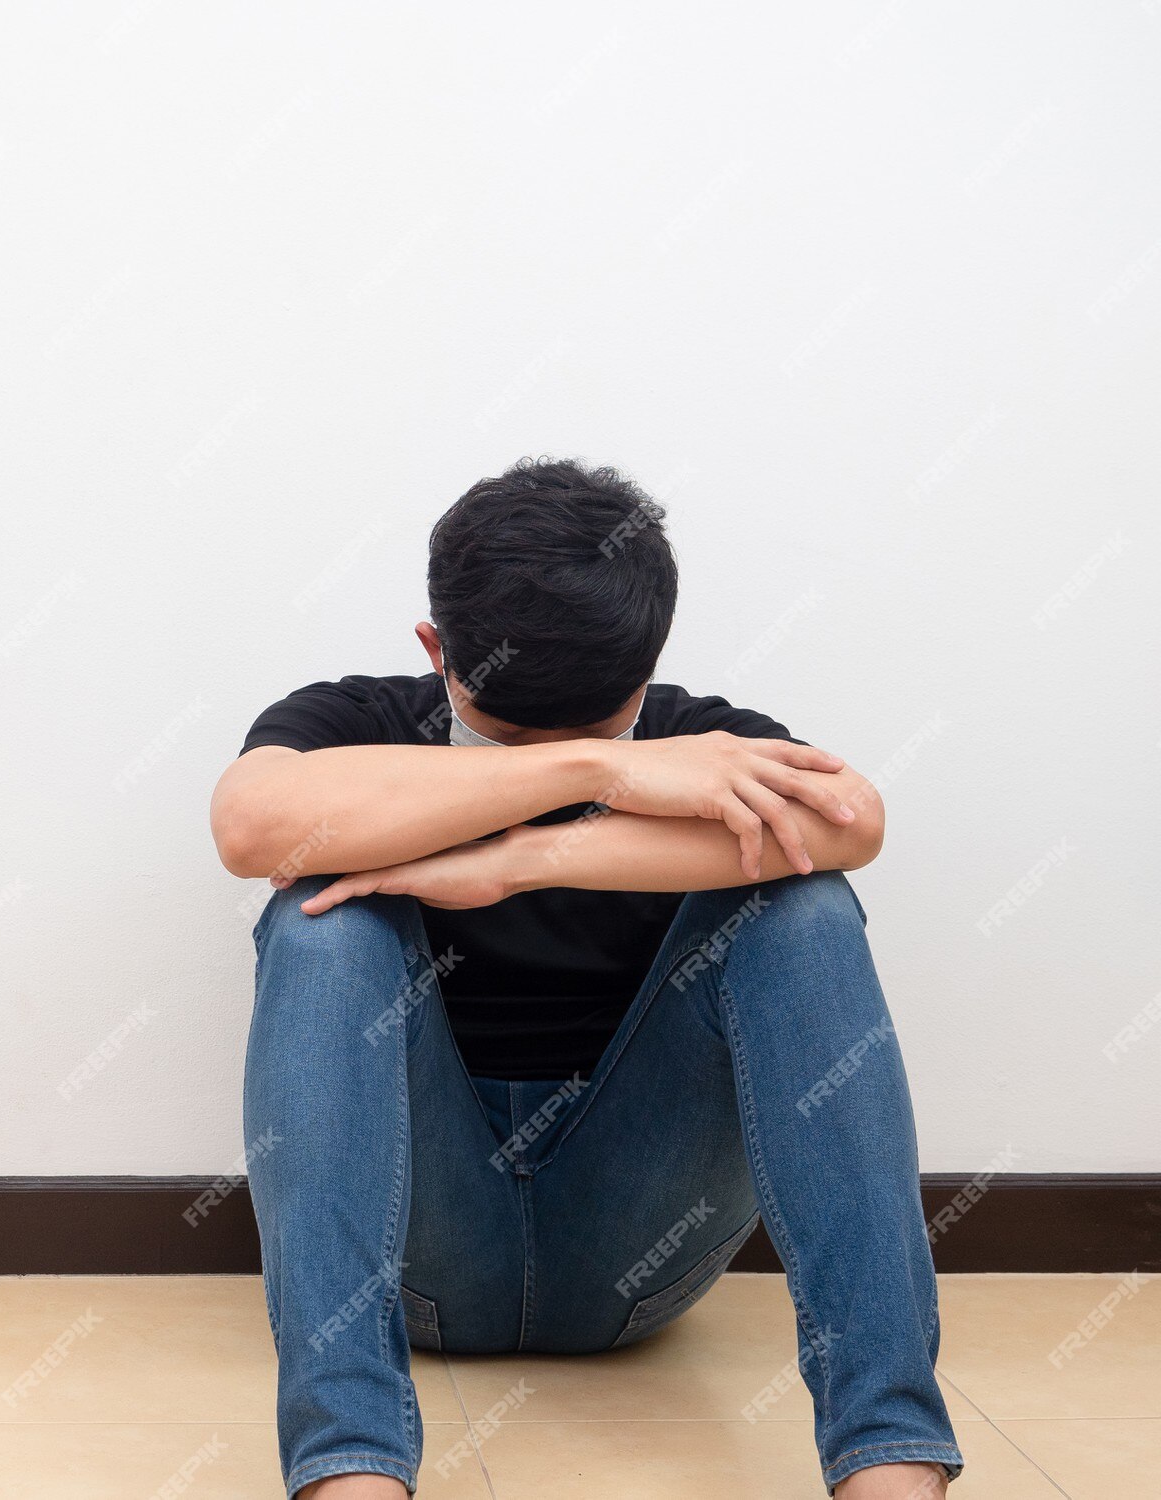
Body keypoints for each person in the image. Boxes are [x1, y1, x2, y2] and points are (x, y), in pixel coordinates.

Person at [208, 459, 959, 1499]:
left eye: (599, 733)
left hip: (639, 1242)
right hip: (423, 1249)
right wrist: (594, 770)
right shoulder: (360, 722)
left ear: (645, 673)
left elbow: (853, 824)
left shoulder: (705, 743)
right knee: (316, 917)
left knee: (803, 906)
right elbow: (249, 827)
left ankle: (889, 1464)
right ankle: (350, 1474)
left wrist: (523, 857)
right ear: (435, 655)